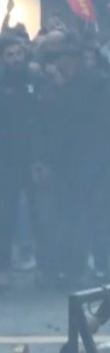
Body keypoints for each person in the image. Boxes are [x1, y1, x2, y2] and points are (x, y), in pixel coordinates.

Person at [36, 41, 110, 287]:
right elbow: (46, 126)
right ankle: (74, 267)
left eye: (64, 58)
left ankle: (100, 266)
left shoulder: (98, 83)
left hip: (94, 159)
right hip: (65, 163)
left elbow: (109, 120)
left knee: (95, 215)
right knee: (70, 217)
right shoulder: (52, 89)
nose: (61, 64)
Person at [0, 37, 39, 289]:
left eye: (18, 54)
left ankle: (45, 266)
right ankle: (3, 267)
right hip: (7, 160)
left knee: (41, 213)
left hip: (34, 159)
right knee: (6, 215)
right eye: (10, 55)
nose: (15, 59)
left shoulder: (34, 80)